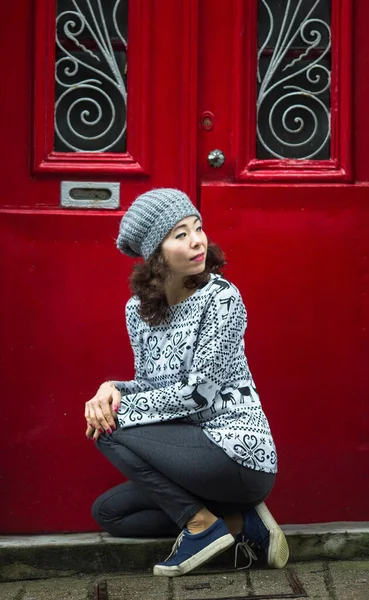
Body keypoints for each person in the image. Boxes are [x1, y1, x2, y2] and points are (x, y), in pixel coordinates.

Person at [85, 188, 289, 577]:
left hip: (236, 454)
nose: (198, 240)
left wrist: (112, 409)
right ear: (156, 252)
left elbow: (197, 395)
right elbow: (149, 385)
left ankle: (200, 527)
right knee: (110, 513)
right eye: (180, 234)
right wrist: (111, 388)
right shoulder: (138, 311)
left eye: (198, 228)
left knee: (107, 428)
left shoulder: (222, 297)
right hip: (187, 457)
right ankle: (240, 524)